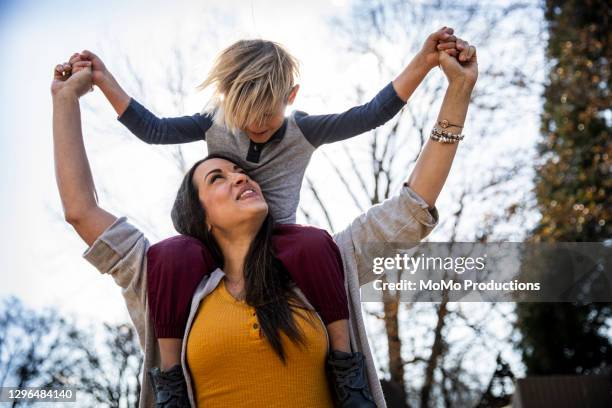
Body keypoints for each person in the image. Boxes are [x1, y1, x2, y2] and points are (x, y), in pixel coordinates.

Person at [51, 33, 477, 407]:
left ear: (289, 98)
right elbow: (83, 207)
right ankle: (170, 386)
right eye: (218, 176)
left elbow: (410, 196)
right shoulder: (165, 278)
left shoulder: (324, 262)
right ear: (198, 213)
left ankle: (347, 371)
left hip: (301, 257)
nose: (242, 176)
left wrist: (455, 87)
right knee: (172, 255)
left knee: (311, 243)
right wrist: (69, 98)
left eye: (242, 173)